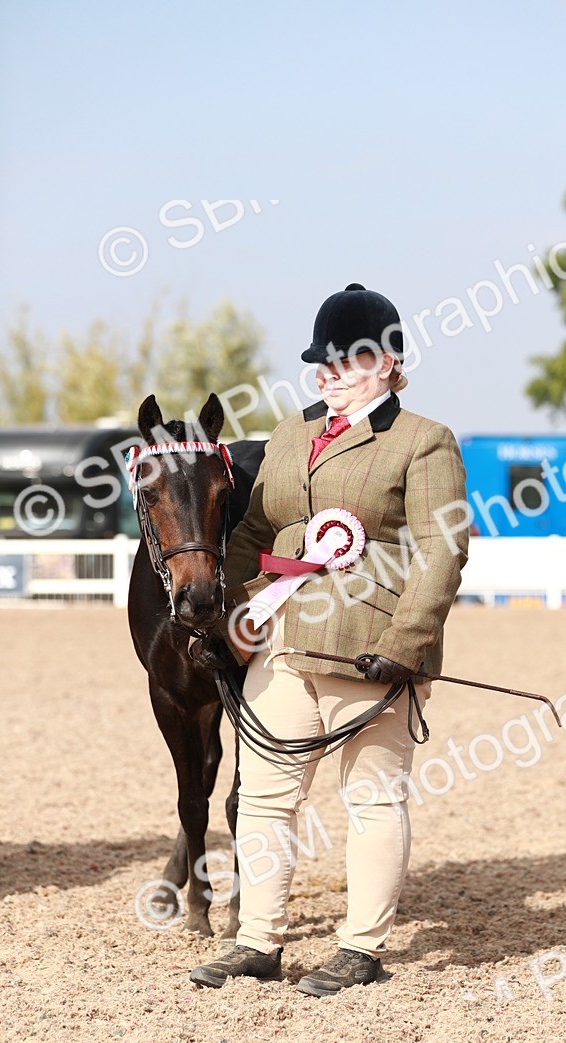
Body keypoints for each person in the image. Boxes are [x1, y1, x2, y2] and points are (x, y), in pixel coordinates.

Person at [190, 283, 469, 996]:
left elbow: (442, 549)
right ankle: (257, 940)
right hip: (281, 644)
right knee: (262, 795)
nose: (330, 376)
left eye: (347, 362)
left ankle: (361, 948)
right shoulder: (290, 433)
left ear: (389, 362)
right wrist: (236, 617)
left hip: (368, 642)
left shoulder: (423, 441)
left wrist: (407, 644)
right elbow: (255, 534)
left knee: (373, 798)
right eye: (322, 364)